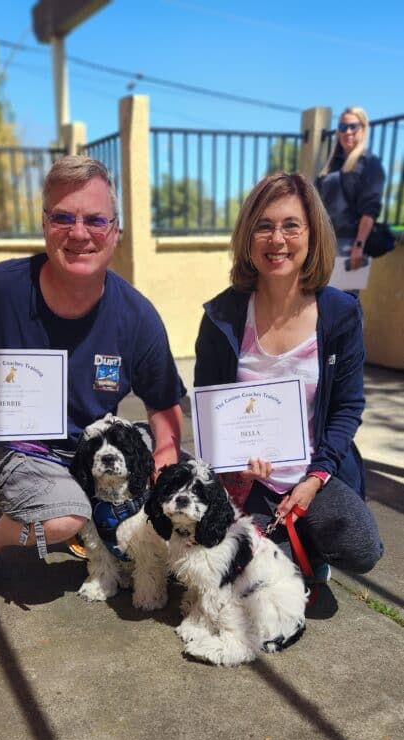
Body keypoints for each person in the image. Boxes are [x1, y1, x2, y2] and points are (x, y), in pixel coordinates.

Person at [0, 156, 186, 610]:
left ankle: (87, 516)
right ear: (45, 224)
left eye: (95, 219)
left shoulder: (137, 316)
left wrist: (165, 461)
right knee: (65, 516)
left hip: (85, 448)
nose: (80, 233)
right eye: (63, 217)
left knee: (186, 480)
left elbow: (165, 409)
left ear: (116, 230)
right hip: (12, 443)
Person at [193, 170, 383, 583]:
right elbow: (208, 411)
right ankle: (289, 549)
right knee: (256, 577)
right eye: (264, 226)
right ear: (247, 237)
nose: (277, 240)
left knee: (363, 548)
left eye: (291, 226)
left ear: (312, 234)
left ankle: (308, 541)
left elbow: (348, 407)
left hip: (314, 473)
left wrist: (315, 478)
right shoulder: (221, 317)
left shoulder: (341, 315)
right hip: (250, 481)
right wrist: (235, 470)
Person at [315, 107, 385, 271]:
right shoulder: (332, 165)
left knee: (344, 296)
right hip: (324, 242)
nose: (348, 132)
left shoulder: (369, 164)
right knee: (317, 295)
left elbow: (370, 209)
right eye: (343, 127)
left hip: (348, 244)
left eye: (353, 126)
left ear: (363, 128)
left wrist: (359, 245)